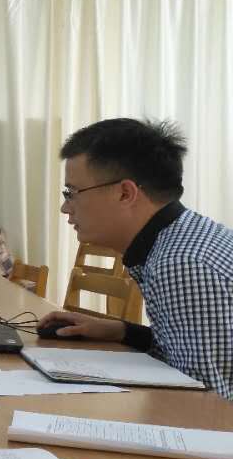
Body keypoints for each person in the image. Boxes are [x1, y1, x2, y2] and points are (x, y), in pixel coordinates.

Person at [38, 118, 233, 400]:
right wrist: (121, 331)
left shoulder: (182, 263)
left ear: (125, 193)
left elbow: (210, 405)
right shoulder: (178, 240)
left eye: (72, 193)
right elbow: (186, 352)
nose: (65, 207)